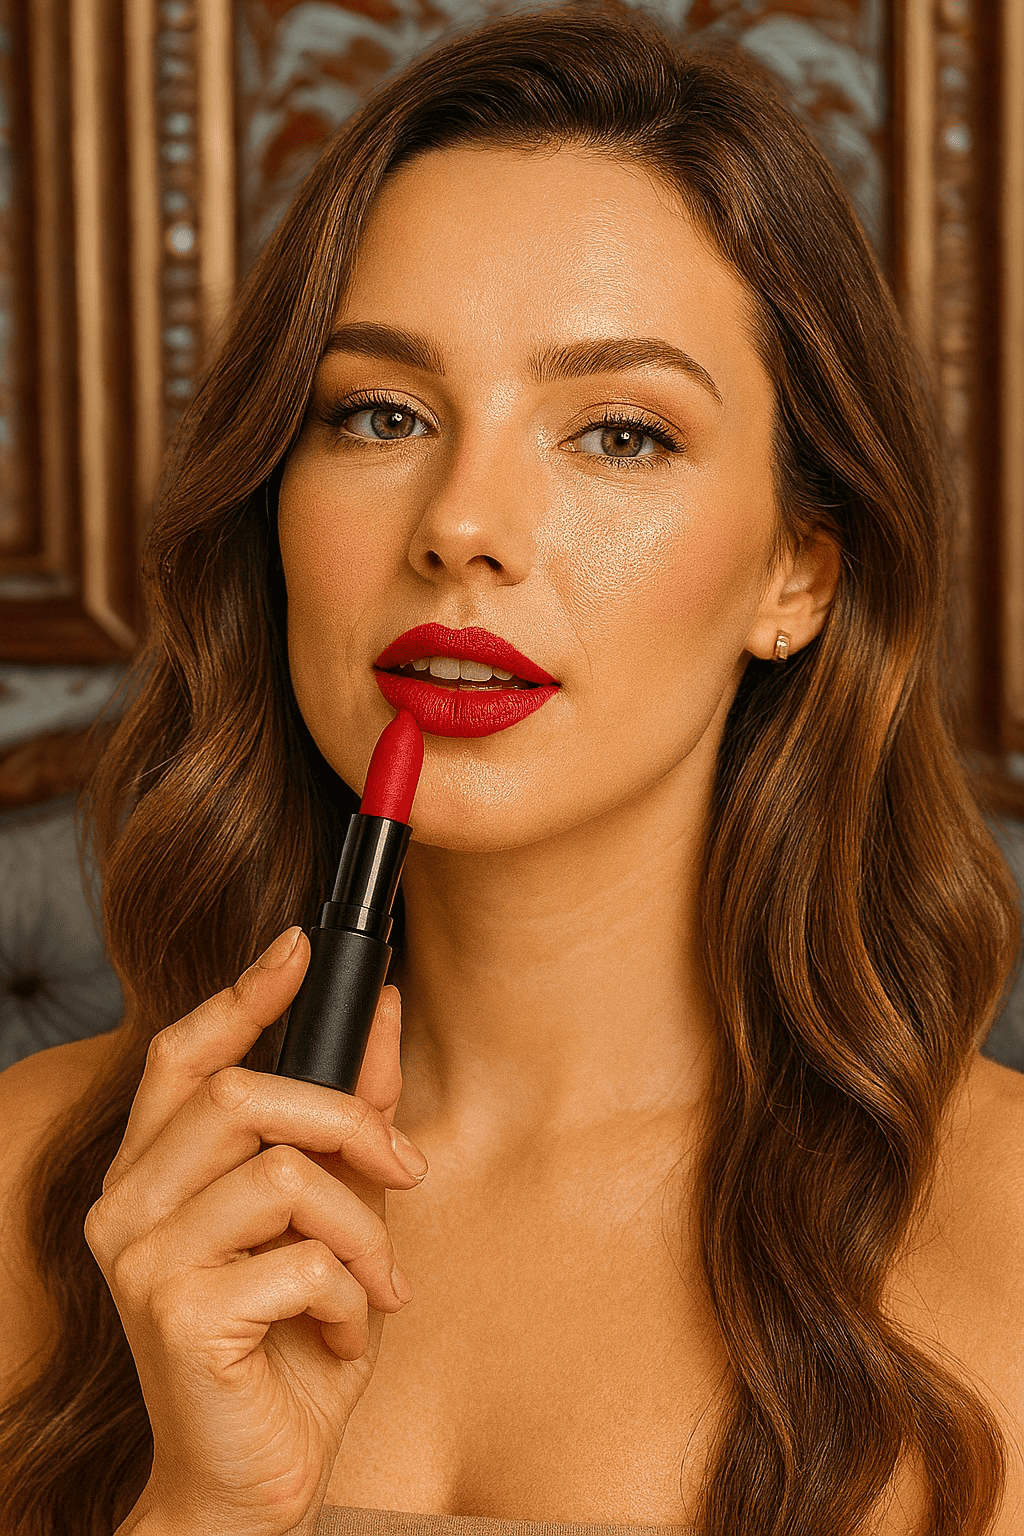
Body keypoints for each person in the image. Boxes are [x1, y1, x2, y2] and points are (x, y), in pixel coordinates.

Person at [1, 3, 1022, 1533]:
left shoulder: (1010, 1239)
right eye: (381, 414)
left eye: (618, 434)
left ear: (797, 573)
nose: (461, 524)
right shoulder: (36, 1182)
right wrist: (203, 1507)